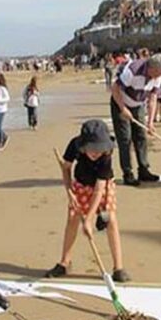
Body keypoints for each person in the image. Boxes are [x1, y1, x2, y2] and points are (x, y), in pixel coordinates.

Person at [45, 119, 130, 282]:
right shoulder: (74, 145)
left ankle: (118, 267)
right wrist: (69, 191)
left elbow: (99, 190)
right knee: (72, 219)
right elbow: (66, 168)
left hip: (103, 186)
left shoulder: (106, 156)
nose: (96, 153)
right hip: (80, 184)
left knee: (110, 219)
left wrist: (90, 219)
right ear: (84, 146)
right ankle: (64, 262)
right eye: (92, 149)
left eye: (99, 149)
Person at [110, 53, 161, 186]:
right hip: (120, 102)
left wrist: (150, 122)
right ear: (152, 68)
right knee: (125, 139)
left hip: (138, 105)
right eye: (159, 73)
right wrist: (123, 109)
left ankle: (143, 170)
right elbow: (115, 88)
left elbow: (153, 98)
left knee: (141, 136)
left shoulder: (157, 77)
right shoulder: (133, 70)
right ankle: (128, 173)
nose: (160, 77)